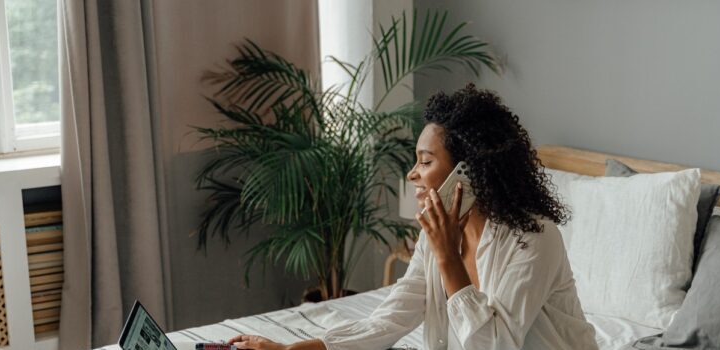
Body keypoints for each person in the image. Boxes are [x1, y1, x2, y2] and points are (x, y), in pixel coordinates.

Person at [227, 83, 598, 350]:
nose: (411, 174)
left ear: (468, 173)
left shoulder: (532, 238)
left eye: (425, 161)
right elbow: (393, 316)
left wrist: (448, 258)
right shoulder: (435, 233)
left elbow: (496, 346)